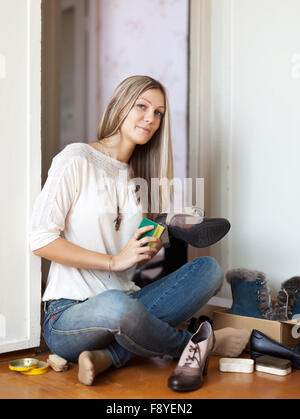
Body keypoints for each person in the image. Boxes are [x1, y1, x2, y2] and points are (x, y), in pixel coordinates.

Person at [29, 75, 249, 386]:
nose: (150, 118)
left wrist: (156, 239)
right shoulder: (76, 158)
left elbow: (133, 263)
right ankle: (200, 344)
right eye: (142, 106)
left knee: (209, 270)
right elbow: (40, 240)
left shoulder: (140, 179)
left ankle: (112, 356)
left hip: (128, 303)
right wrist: (113, 261)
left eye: (159, 112)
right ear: (120, 106)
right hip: (69, 316)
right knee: (118, 307)